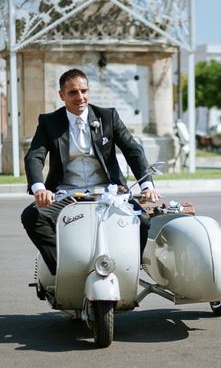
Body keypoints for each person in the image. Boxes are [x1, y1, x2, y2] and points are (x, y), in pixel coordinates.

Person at [21, 68, 160, 276]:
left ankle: (129, 269)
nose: (80, 97)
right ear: (62, 95)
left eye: (84, 91)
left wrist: (147, 185)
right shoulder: (49, 122)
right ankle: (63, 270)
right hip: (67, 194)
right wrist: (39, 188)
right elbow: (35, 156)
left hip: (108, 192)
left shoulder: (108, 117)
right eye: (73, 93)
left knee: (141, 220)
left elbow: (133, 150)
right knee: (32, 216)